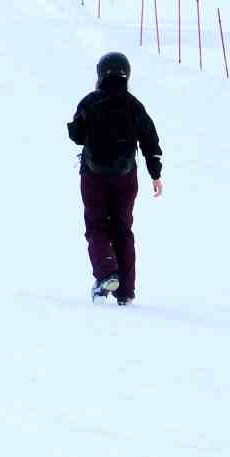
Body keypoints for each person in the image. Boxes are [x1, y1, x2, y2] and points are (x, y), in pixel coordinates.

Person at [68, 52, 164, 305]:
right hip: (125, 177)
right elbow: (150, 140)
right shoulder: (134, 105)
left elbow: (77, 134)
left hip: (94, 176)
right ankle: (126, 292)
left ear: (101, 74)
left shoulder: (90, 102)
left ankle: (106, 273)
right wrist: (156, 174)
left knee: (97, 227)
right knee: (123, 230)